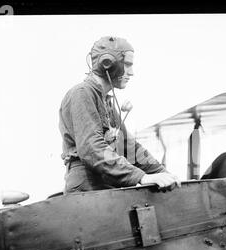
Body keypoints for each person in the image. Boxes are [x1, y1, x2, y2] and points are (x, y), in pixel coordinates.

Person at [59, 36, 181, 193]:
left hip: (105, 184)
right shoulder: (82, 93)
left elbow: (129, 147)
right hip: (88, 188)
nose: (131, 73)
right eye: (128, 65)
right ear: (108, 64)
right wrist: (142, 177)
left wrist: (163, 174)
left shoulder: (105, 101)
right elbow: (92, 149)